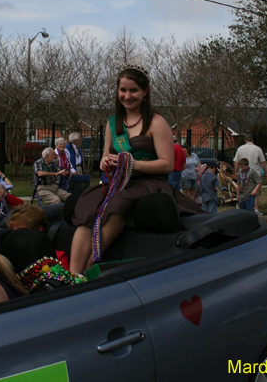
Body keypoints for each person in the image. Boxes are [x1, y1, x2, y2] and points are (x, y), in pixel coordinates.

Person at [69, 65, 202, 273]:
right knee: (88, 207)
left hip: (148, 183)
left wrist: (134, 164)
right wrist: (105, 162)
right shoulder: (113, 123)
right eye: (123, 90)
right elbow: (105, 155)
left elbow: (167, 164)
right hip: (117, 183)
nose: (127, 96)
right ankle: (72, 276)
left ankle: (86, 272)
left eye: (133, 91)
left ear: (145, 92)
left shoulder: (157, 123)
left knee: (117, 205)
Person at [7, 204, 69, 269]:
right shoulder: (9, 257)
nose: (18, 235)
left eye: (23, 231)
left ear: (39, 228)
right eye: (14, 232)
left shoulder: (58, 258)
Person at [233, 134, 267, 215]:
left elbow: (236, 161)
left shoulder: (240, 148)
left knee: (243, 188)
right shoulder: (257, 149)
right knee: (256, 191)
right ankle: (255, 208)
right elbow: (262, 162)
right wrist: (266, 172)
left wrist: (236, 171)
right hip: (255, 172)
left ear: (245, 140)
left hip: (243, 173)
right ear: (252, 140)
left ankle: (244, 207)